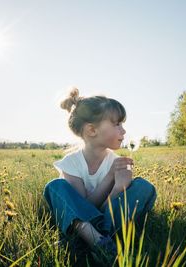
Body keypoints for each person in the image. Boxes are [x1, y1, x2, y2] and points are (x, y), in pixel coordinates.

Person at [43, 87, 157, 262]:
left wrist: (119, 187)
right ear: (92, 130)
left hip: (108, 219)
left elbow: (108, 208)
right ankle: (97, 240)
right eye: (117, 124)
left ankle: (100, 237)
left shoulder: (115, 162)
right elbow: (83, 207)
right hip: (81, 224)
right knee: (55, 187)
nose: (123, 131)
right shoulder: (72, 163)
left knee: (144, 187)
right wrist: (110, 178)